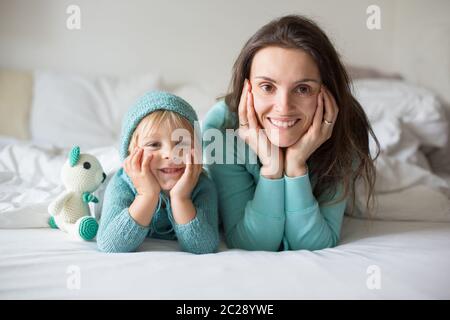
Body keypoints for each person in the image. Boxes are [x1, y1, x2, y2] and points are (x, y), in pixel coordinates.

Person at [202, 15, 379, 251]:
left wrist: (296, 165)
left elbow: (315, 242)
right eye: (267, 87)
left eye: (303, 89)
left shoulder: (345, 129)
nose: (283, 107)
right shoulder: (221, 127)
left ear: (326, 93)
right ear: (247, 89)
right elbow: (253, 242)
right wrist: (272, 168)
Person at [98, 91, 219, 253]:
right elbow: (110, 245)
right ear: (131, 152)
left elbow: (204, 247)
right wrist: (146, 195)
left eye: (181, 142)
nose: (170, 154)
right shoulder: (122, 184)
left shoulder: (202, 185)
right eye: (154, 144)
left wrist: (180, 198)